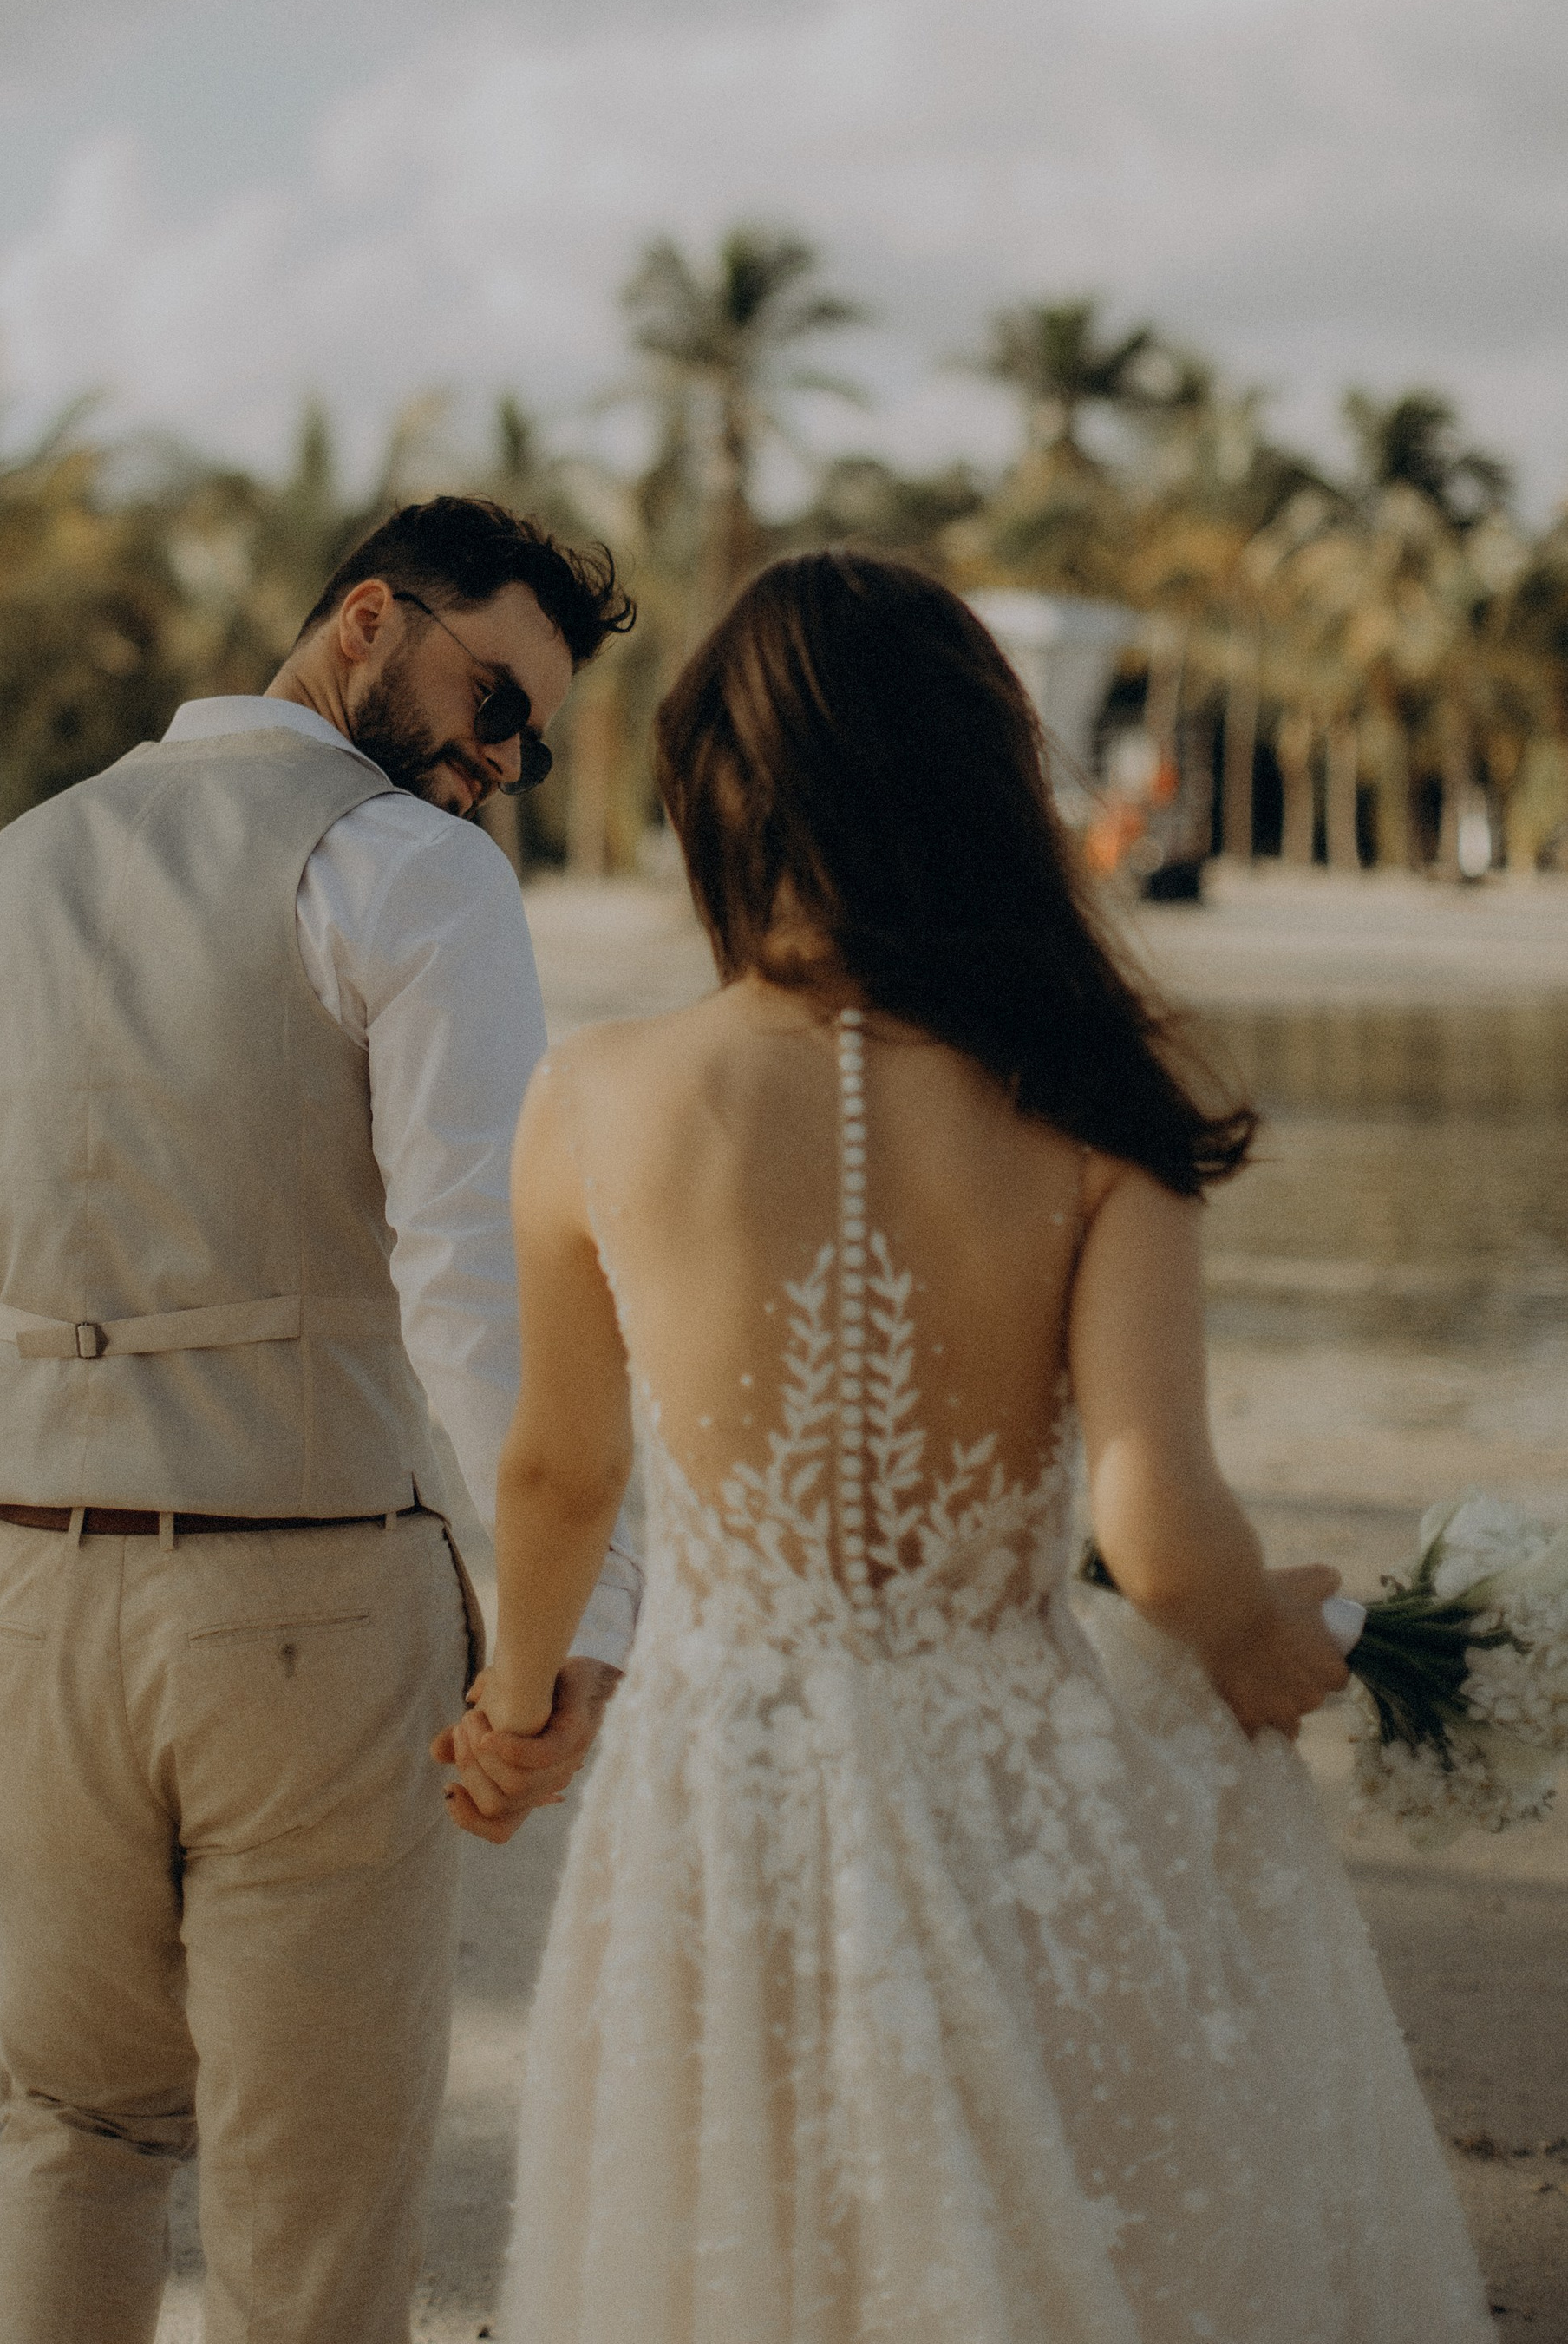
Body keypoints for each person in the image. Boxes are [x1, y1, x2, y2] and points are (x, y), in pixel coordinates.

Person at [443, 549, 1493, 2343]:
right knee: (1022, 2245)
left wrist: (515, 1706)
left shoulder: (595, 1095)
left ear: (716, 800)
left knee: (741, 2249)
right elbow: (1155, 1525)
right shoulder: (1094, 1086)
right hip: (1007, 1785)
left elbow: (556, 1468)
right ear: (983, 789)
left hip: (722, 1787)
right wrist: (1261, 1641)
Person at [0, 496, 641, 2344]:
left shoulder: (0, 875)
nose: (499, 762)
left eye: (531, 742)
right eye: (491, 698)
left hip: (31, 1608)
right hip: (310, 1614)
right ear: (361, 623)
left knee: (74, 2131)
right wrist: (576, 1634)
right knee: (309, 2208)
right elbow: (471, 1291)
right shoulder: (411, 876)